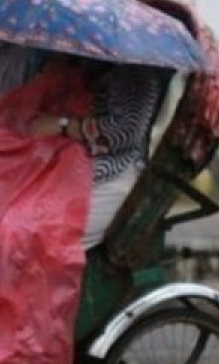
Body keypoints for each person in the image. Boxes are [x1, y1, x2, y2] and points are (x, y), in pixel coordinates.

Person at [29, 61, 172, 248]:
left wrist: (62, 125)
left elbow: (123, 131)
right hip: (80, 170)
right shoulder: (104, 68)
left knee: (42, 238)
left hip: (113, 174)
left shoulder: (137, 74)